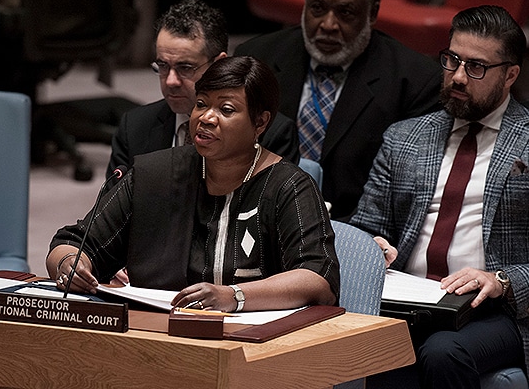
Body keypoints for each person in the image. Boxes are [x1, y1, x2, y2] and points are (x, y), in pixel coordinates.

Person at [47, 56, 340, 313]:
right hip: (158, 331)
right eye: (201, 104)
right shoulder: (155, 175)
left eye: (226, 109)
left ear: (260, 122)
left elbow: (317, 276)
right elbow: (73, 244)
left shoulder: (289, 186)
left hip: (255, 340)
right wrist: (69, 265)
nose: (206, 118)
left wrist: (234, 296)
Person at [350, 5, 529, 388]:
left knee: (443, 350)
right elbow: (365, 226)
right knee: (368, 344)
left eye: (476, 67)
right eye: (452, 60)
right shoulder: (404, 137)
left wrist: (502, 280)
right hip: (409, 300)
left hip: (497, 309)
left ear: (511, 74)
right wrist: (373, 245)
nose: (458, 76)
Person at [234, 0, 441, 220]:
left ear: (372, 13)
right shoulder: (256, 58)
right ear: (305, 3)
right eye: (318, 8)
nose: (328, 25)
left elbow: (402, 191)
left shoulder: (415, 82)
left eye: (345, 12)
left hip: (352, 225)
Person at [106, 0, 299, 188]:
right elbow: (112, 204)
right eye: (163, 66)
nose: (171, 81)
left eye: (185, 68)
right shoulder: (134, 127)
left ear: (218, 64)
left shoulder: (272, 133)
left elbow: (270, 206)